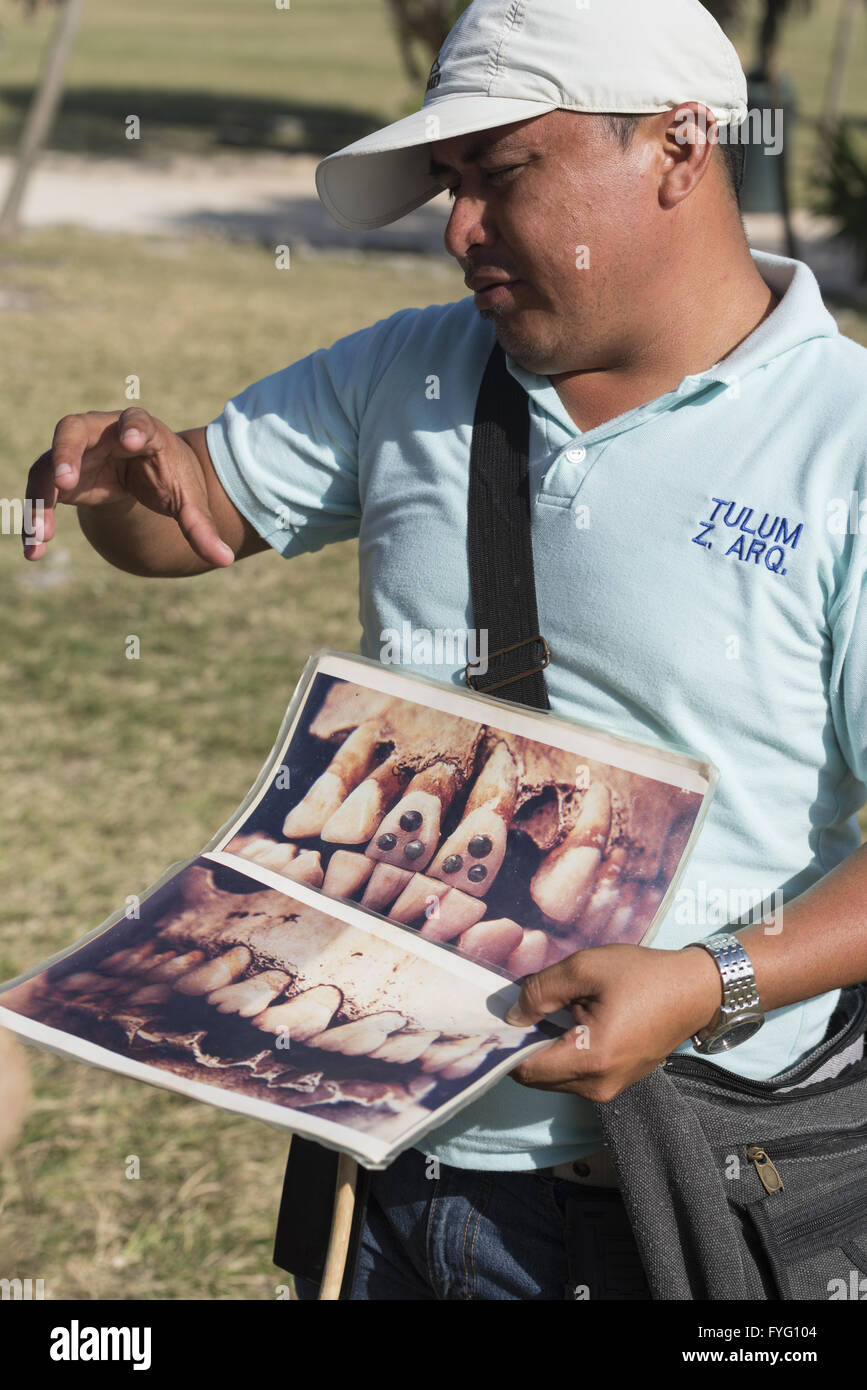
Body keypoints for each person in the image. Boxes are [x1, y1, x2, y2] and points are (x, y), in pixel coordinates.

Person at [23, 0, 867, 1300]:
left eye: (501, 174)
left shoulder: (844, 448)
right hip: (391, 1190)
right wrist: (125, 480)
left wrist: (711, 983)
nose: (459, 229)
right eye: (448, 183)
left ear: (682, 146)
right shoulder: (410, 372)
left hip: (678, 1206)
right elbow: (185, 521)